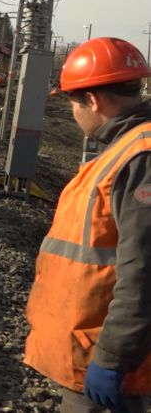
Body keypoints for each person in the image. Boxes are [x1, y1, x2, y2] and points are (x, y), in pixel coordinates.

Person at [23, 37, 151, 412]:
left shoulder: (139, 158)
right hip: (88, 348)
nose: (75, 115)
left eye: (74, 103)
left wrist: (111, 358)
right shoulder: (125, 150)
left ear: (92, 101)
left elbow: (143, 271)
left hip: (104, 358)